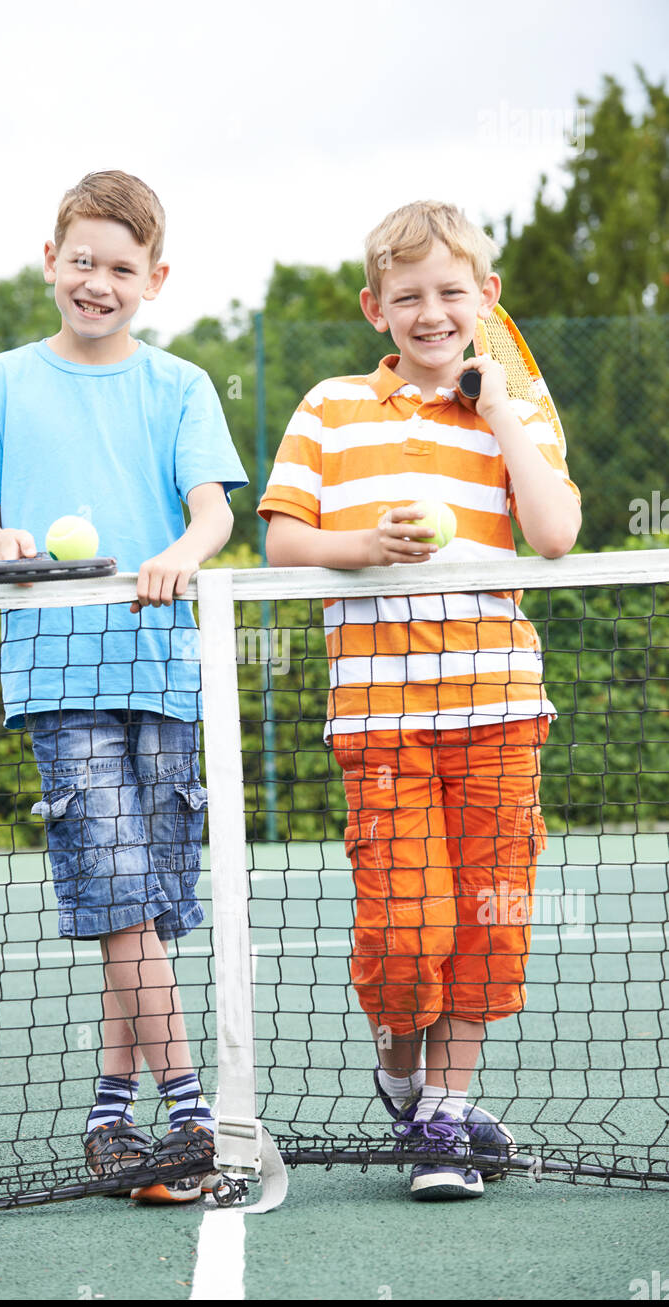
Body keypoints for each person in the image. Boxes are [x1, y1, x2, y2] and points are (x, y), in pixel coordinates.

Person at [0, 170, 248, 1203]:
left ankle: (112, 1111)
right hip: (57, 673)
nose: (97, 282)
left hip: (162, 669)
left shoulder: (182, 386)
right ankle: (192, 1113)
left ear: (154, 278)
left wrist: (179, 554)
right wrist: (3, 541)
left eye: (120, 267)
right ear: (50, 260)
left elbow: (215, 513)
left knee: (143, 909)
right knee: (118, 894)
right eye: (82, 261)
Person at [258, 201, 581, 1201]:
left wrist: (499, 413)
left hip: (500, 712)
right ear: (375, 308)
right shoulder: (329, 406)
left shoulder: (517, 411)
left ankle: (442, 1115)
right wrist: (364, 549)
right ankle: (402, 1071)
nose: (432, 312)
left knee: (486, 926)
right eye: (409, 296)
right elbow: (281, 543)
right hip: (379, 721)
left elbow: (558, 533)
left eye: (452, 292)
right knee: (404, 934)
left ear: (485, 297)